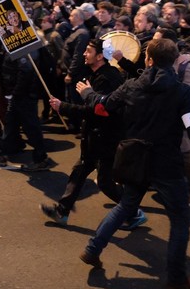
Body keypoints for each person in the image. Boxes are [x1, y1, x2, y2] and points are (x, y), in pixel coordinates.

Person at [73, 39, 190, 289]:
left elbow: (102, 104)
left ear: (148, 59)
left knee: (126, 204)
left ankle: (93, 249)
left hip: (135, 158)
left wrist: (87, 93)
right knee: (179, 219)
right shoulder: (181, 92)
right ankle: (177, 279)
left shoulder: (132, 86)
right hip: (166, 163)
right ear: (174, 60)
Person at [42, 38, 132, 225]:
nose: (84, 54)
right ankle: (62, 211)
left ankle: (133, 212)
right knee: (79, 171)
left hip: (106, 138)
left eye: (89, 51)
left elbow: (98, 111)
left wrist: (63, 106)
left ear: (100, 56)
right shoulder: (97, 74)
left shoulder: (107, 78)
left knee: (105, 183)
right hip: (95, 136)